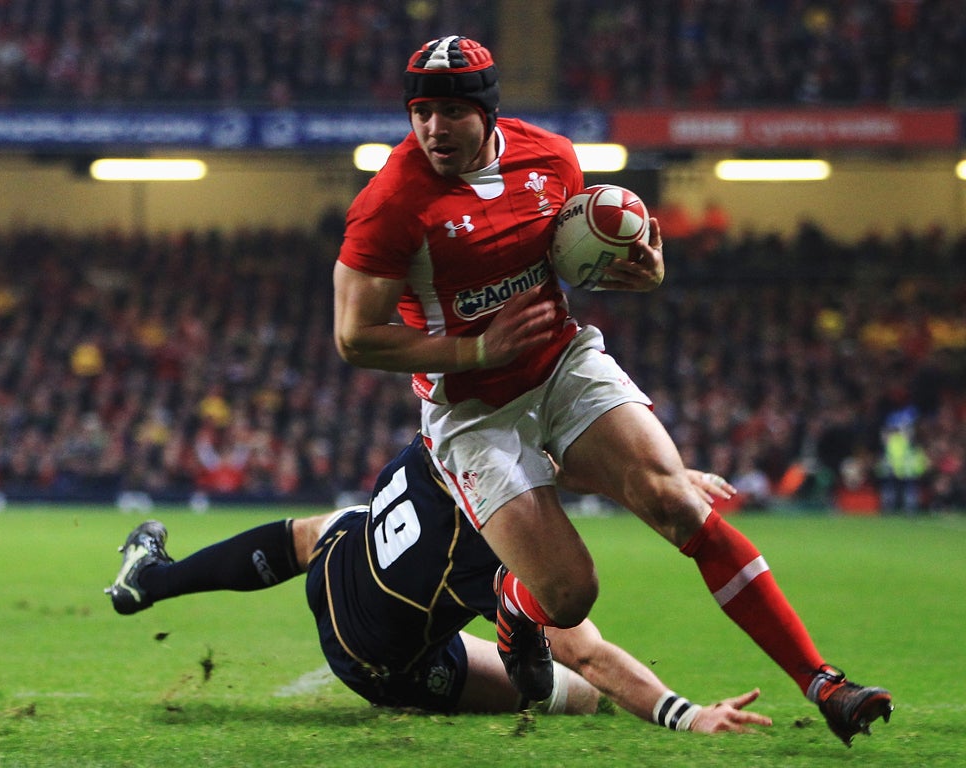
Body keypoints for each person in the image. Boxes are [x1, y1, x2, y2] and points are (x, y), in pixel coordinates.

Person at [331, 35, 891, 746]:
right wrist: (476, 346)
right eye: (420, 112)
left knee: (678, 504)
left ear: (488, 113)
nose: (433, 129)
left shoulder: (554, 159)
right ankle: (516, 604)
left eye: (450, 112)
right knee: (570, 596)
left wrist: (641, 269)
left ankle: (823, 682)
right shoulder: (390, 203)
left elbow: (586, 256)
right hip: (471, 410)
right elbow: (356, 337)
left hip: (562, 363)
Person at [107, 434, 772, 732]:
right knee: (579, 697)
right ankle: (521, 669)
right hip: (373, 660)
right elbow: (590, 652)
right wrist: (685, 716)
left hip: (341, 567)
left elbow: (548, 463)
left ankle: (153, 580)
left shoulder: (444, 441)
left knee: (325, 527)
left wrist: (665, 481)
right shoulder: (487, 554)